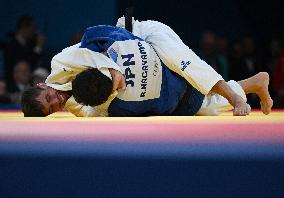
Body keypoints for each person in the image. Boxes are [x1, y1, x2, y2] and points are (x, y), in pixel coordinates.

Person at [21, 18, 273, 117]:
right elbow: (98, 112)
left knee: (182, 62)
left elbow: (88, 52)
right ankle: (253, 83)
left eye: (51, 96)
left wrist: (113, 72)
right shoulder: (71, 105)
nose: (59, 100)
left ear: (42, 84)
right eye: (53, 107)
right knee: (199, 108)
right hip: (143, 73)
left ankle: (234, 97)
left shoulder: (59, 64)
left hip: (141, 36)